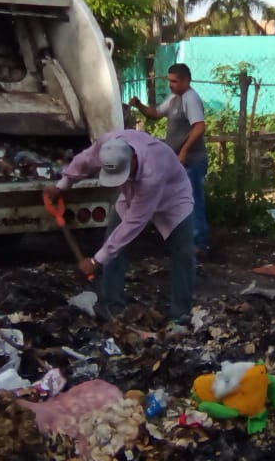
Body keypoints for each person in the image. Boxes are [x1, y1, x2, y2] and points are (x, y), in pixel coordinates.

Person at [44, 128, 195, 330]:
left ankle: (180, 314)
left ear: (133, 159)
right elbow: (85, 160)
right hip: (132, 192)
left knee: (183, 252)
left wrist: (96, 260)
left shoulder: (152, 171)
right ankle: (112, 307)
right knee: (113, 244)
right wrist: (62, 184)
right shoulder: (108, 146)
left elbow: (133, 224)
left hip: (173, 196)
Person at [129, 63, 209, 254]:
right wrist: (139, 105)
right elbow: (156, 114)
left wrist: (183, 152)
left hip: (192, 160)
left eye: (174, 81)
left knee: (193, 200)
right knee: (177, 200)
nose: (171, 85)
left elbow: (199, 127)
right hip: (178, 161)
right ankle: (183, 238)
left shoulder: (190, 99)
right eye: (170, 81)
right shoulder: (175, 98)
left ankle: (200, 243)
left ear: (186, 81)